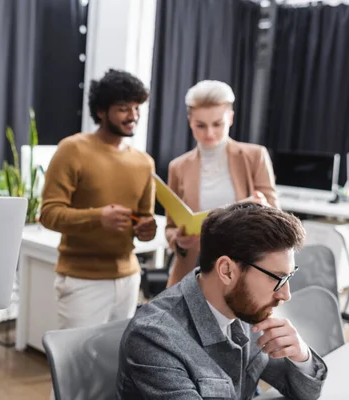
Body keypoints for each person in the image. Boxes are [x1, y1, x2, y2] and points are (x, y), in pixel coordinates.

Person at [116, 203, 327, 400]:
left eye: (289, 277)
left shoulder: (246, 307)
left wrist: (301, 357)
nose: (285, 294)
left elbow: (305, 392)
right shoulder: (155, 338)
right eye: (277, 278)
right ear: (227, 271)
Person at [40, 69, 157, 330]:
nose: (133, 116)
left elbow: (143, 220)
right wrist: (98, 217)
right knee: (75, 364)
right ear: (102, 111)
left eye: (137, 108)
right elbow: (48, 214)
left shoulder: (144, 163)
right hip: (82, 280)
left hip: (129, 277)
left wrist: (147, 229)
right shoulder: (73, 149)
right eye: (124, 109)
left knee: (116, 362)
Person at [166, 80, 279, 287]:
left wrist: (261, 206)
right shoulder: (178, 167)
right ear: (190, 121)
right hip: (194, 270)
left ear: (231, 118)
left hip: (245, 266)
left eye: (218, 124)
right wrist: (179, 241)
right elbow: (171, 228)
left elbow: (276, 216)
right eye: (200, 125)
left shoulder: (254, 156)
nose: (209, 133)